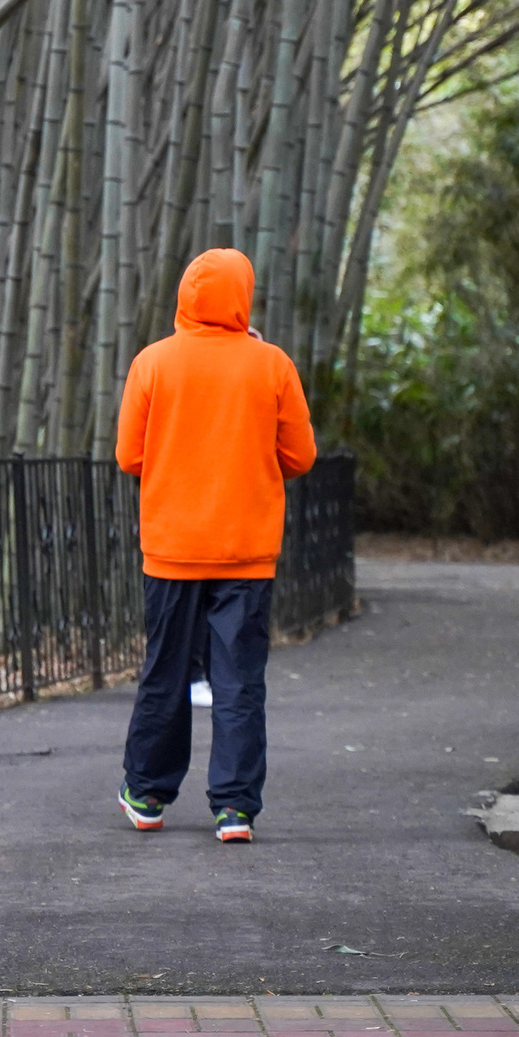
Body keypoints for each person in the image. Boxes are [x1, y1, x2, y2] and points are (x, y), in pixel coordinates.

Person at [113, 248, 316, 843]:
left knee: (165, 672)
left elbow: (129, 455)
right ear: (242, 297)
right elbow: (300, 455)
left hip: (172, 548)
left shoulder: (153, 363)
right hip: (246, 552)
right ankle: (234, 808)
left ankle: (148, 793)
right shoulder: (271, 364)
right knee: (238, 680)